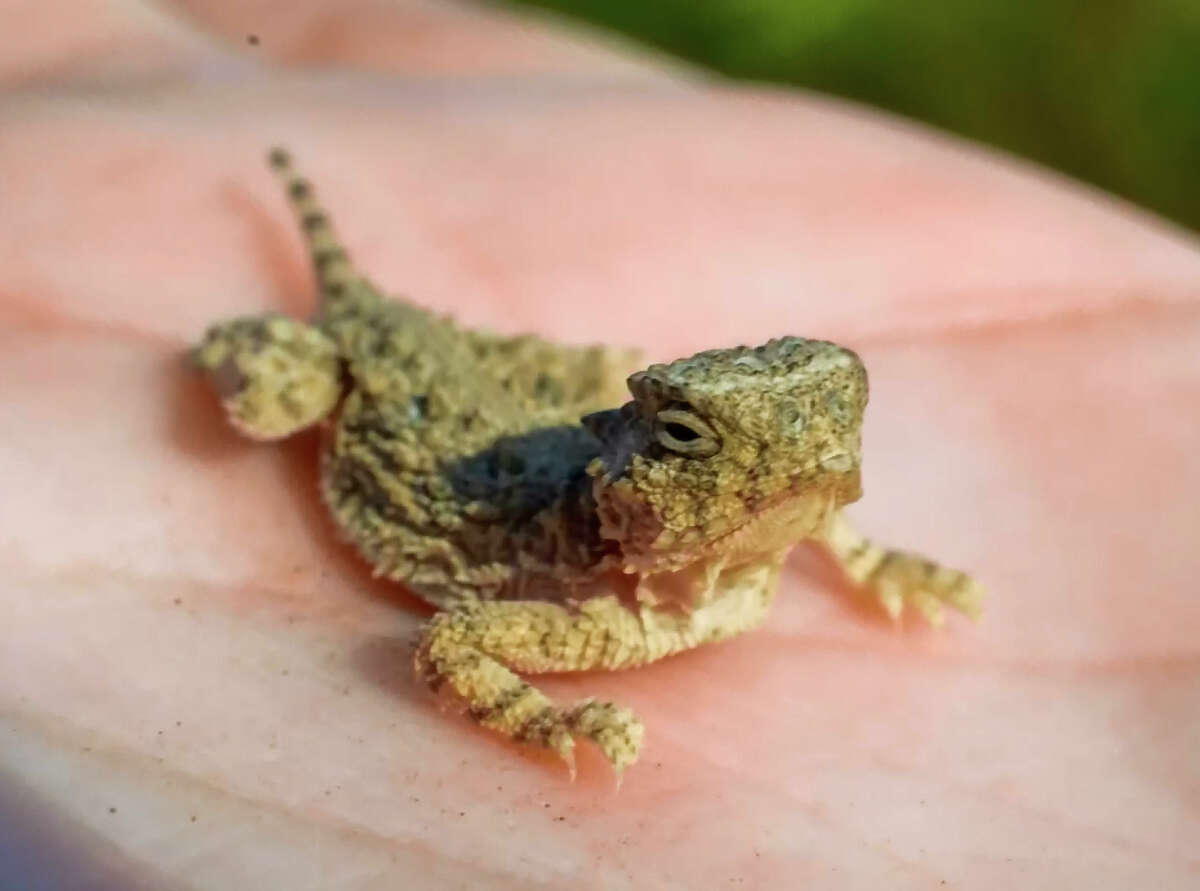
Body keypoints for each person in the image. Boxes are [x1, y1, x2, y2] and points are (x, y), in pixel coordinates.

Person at [2, 0, 1198, 887]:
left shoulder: (753, 543)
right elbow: (455, 647)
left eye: (832, 422)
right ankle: (261, 339)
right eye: (685, 436)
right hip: (392, 395)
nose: (805, 467)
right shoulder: (580, 608)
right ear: (631, 466)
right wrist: (547, 724)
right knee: (262, 401)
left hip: (509, 403)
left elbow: (798, 492)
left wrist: (874, 562)